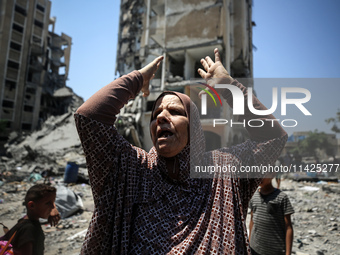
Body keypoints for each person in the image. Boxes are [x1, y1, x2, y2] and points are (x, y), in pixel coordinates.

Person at [74, 48, 287, 254]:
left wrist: (229, 87)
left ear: (193, 127)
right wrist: (137, 79)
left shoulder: (223, 170)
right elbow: (89, 118)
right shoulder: (132, 169)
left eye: (174, 111)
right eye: (156, 113)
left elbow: (272, 138)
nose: (161, 117)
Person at [1, 184, 60, 255]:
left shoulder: (25, 221)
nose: (52, 207)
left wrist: (52, 207)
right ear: (31, 205)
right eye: (48, 203)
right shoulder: (29, 229)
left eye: (53, 202)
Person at [249, 175, 294, 255]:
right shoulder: (254, 196)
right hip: (255, 249)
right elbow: (252, 221)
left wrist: (288, 253)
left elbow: (288, 227)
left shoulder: (281, 197)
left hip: (275, 250)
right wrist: (249, 245)